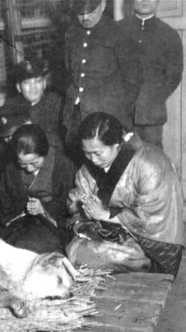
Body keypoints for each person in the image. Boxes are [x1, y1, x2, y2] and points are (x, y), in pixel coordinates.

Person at [67, 112, 184, 277]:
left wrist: (105, 214)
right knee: (75, 249)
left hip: (152, 245)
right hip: (114, 234)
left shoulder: (150, 164)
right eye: (87, 153)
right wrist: (83, 207)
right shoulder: (93, 165)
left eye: (97, 153)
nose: (92, 159)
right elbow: (77, 199)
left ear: (117, 144)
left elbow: (151, 218)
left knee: (122, 257)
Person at [63, 0, 144, 163]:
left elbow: (134, 79)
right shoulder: (71, 33)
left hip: (108, 118)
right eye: (80, 12)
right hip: (76, 116)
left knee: (110, 168)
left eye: (90, 11)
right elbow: (67, 70)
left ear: (103, 5)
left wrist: (118, 112)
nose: (85, 17)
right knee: (80, 163)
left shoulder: (119, 33)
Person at [0, 124, 76, 254]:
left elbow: (69, 207)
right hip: (20, 222)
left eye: (34, 163)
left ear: (44, 153)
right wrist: (24, 208)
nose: (29, 169)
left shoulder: (64, 166)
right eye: (22, 163)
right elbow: (6, 202)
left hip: (52, 225)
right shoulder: (11, 168)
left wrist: (43, 208)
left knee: (31, 248)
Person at [118, 0, 183, 149]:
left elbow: (173, 76)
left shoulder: (169, 35)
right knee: (120, 163)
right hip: (120, 114)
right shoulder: (117, 30)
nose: (144, 0)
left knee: (152, 163)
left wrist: (151, 98)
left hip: (151, 118)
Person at [0, 55, 65, 151]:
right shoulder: (10, 105)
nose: (33, 87)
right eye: (27, 83)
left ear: (44, 83)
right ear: (18, 87)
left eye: (37, 81)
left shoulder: (57, 103)